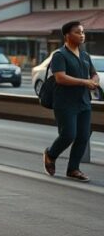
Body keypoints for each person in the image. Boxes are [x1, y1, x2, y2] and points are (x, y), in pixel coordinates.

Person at [43, 21, 99, 182]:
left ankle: (73, 169)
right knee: (68, 135)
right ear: (67, 35)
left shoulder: (85, 55)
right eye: (77, 32)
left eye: (83, 32)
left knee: (83, 136)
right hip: (65, 103)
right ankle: (50, 154)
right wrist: (84, 82)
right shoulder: (60, 55)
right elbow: (60, 78)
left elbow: (94, 73)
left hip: (84, 102)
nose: (82, 35)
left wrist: (94, 80)